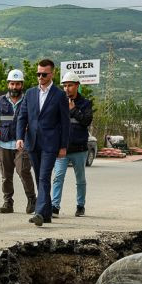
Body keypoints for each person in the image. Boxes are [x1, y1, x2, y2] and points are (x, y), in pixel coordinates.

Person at [15, 59, 70, 227]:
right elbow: (22, 117)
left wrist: (63, 146)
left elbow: (65, 123)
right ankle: (46, 213)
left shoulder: (59, 95)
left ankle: (39, 212)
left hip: (50, 144)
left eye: (44, 74)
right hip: (32, 143)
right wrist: (19, 137)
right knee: (39, 177)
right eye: (38, 74)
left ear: (51, 74)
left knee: (44, 177)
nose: (40, 77)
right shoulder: (30, 93)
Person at [0, 69, 36, 215]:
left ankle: (32, 200)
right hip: (4, 144)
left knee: (23, 171)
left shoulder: (28, 101)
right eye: (12, 83)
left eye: (17, 84)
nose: (14, 87)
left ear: (22, 85)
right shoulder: (0, 101)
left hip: (22, 145)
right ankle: (8, 203)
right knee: (6, 176)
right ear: (8, 84)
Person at [50, 72, 93, 217]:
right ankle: (54, 207)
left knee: (80, 179)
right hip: (62, 149)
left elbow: (86, 121)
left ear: (77, 86)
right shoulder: (59, 102)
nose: (67, 89)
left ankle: (80, 206)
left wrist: (73, 110)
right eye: (65, 86)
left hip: (79, 149)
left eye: (70, 85)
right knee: (58, 177)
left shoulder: (86, 103)